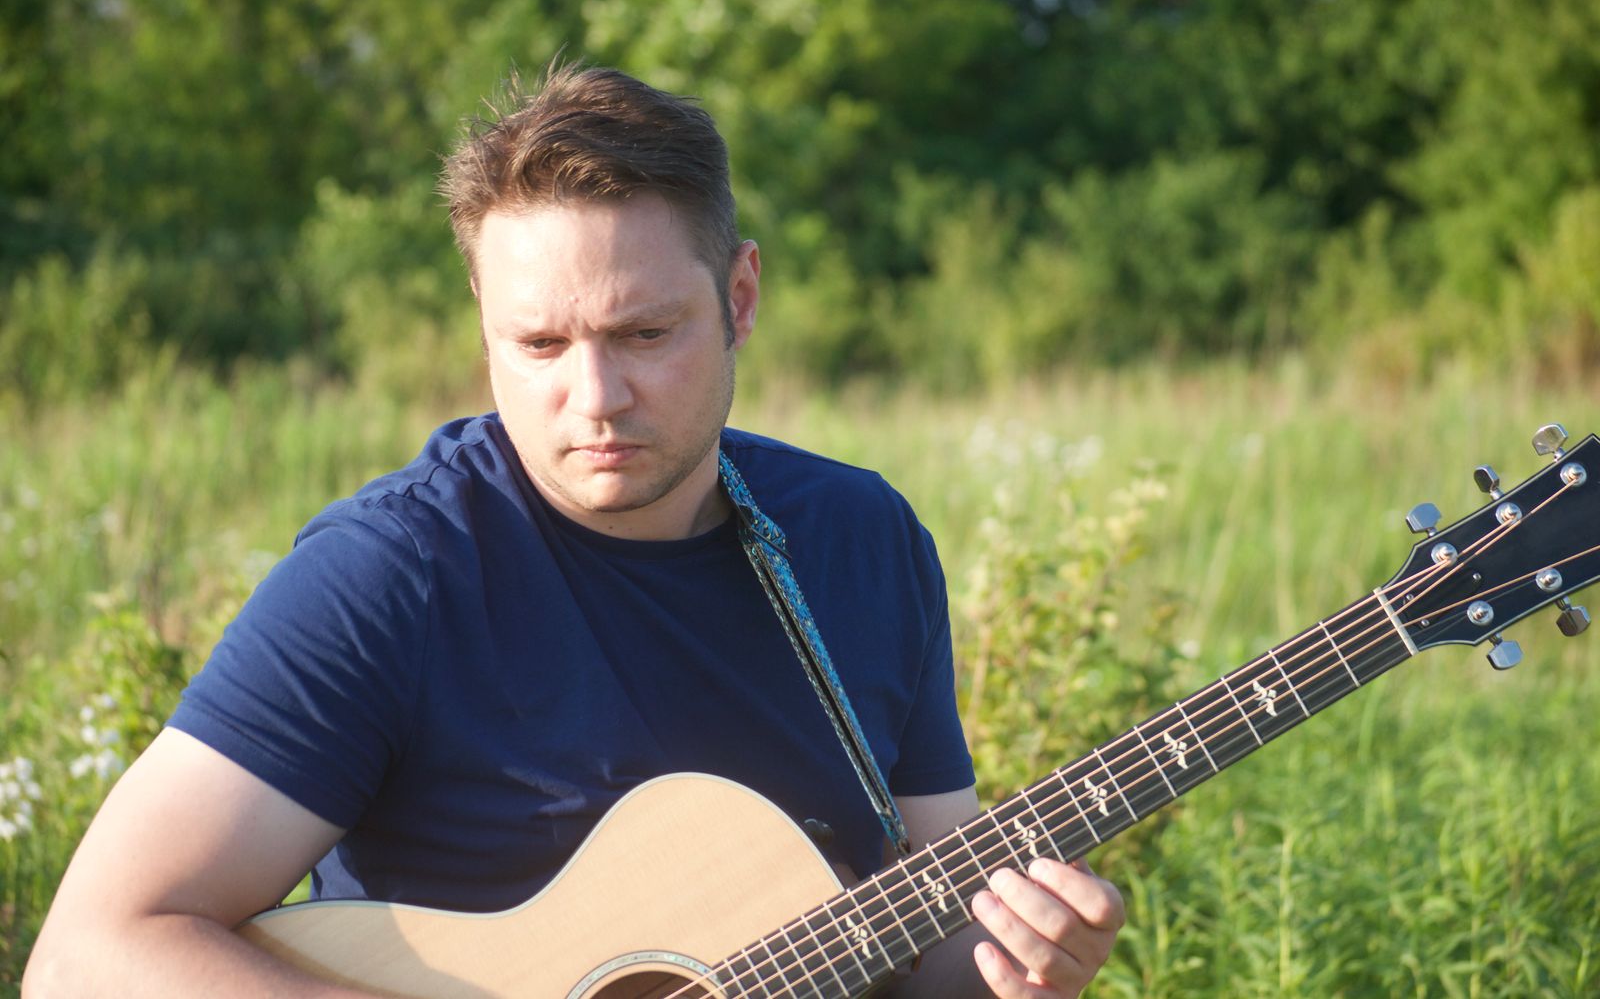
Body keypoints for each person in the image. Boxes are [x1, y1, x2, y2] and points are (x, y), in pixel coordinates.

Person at [24, 63, 1123, 998]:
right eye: (541, 344)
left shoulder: (860, 541)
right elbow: (85, 958)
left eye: (643, 332)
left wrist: (1016, 963)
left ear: (740, 299)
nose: (595, 398)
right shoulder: (391, 575)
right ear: (482, 320)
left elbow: (922, 943)